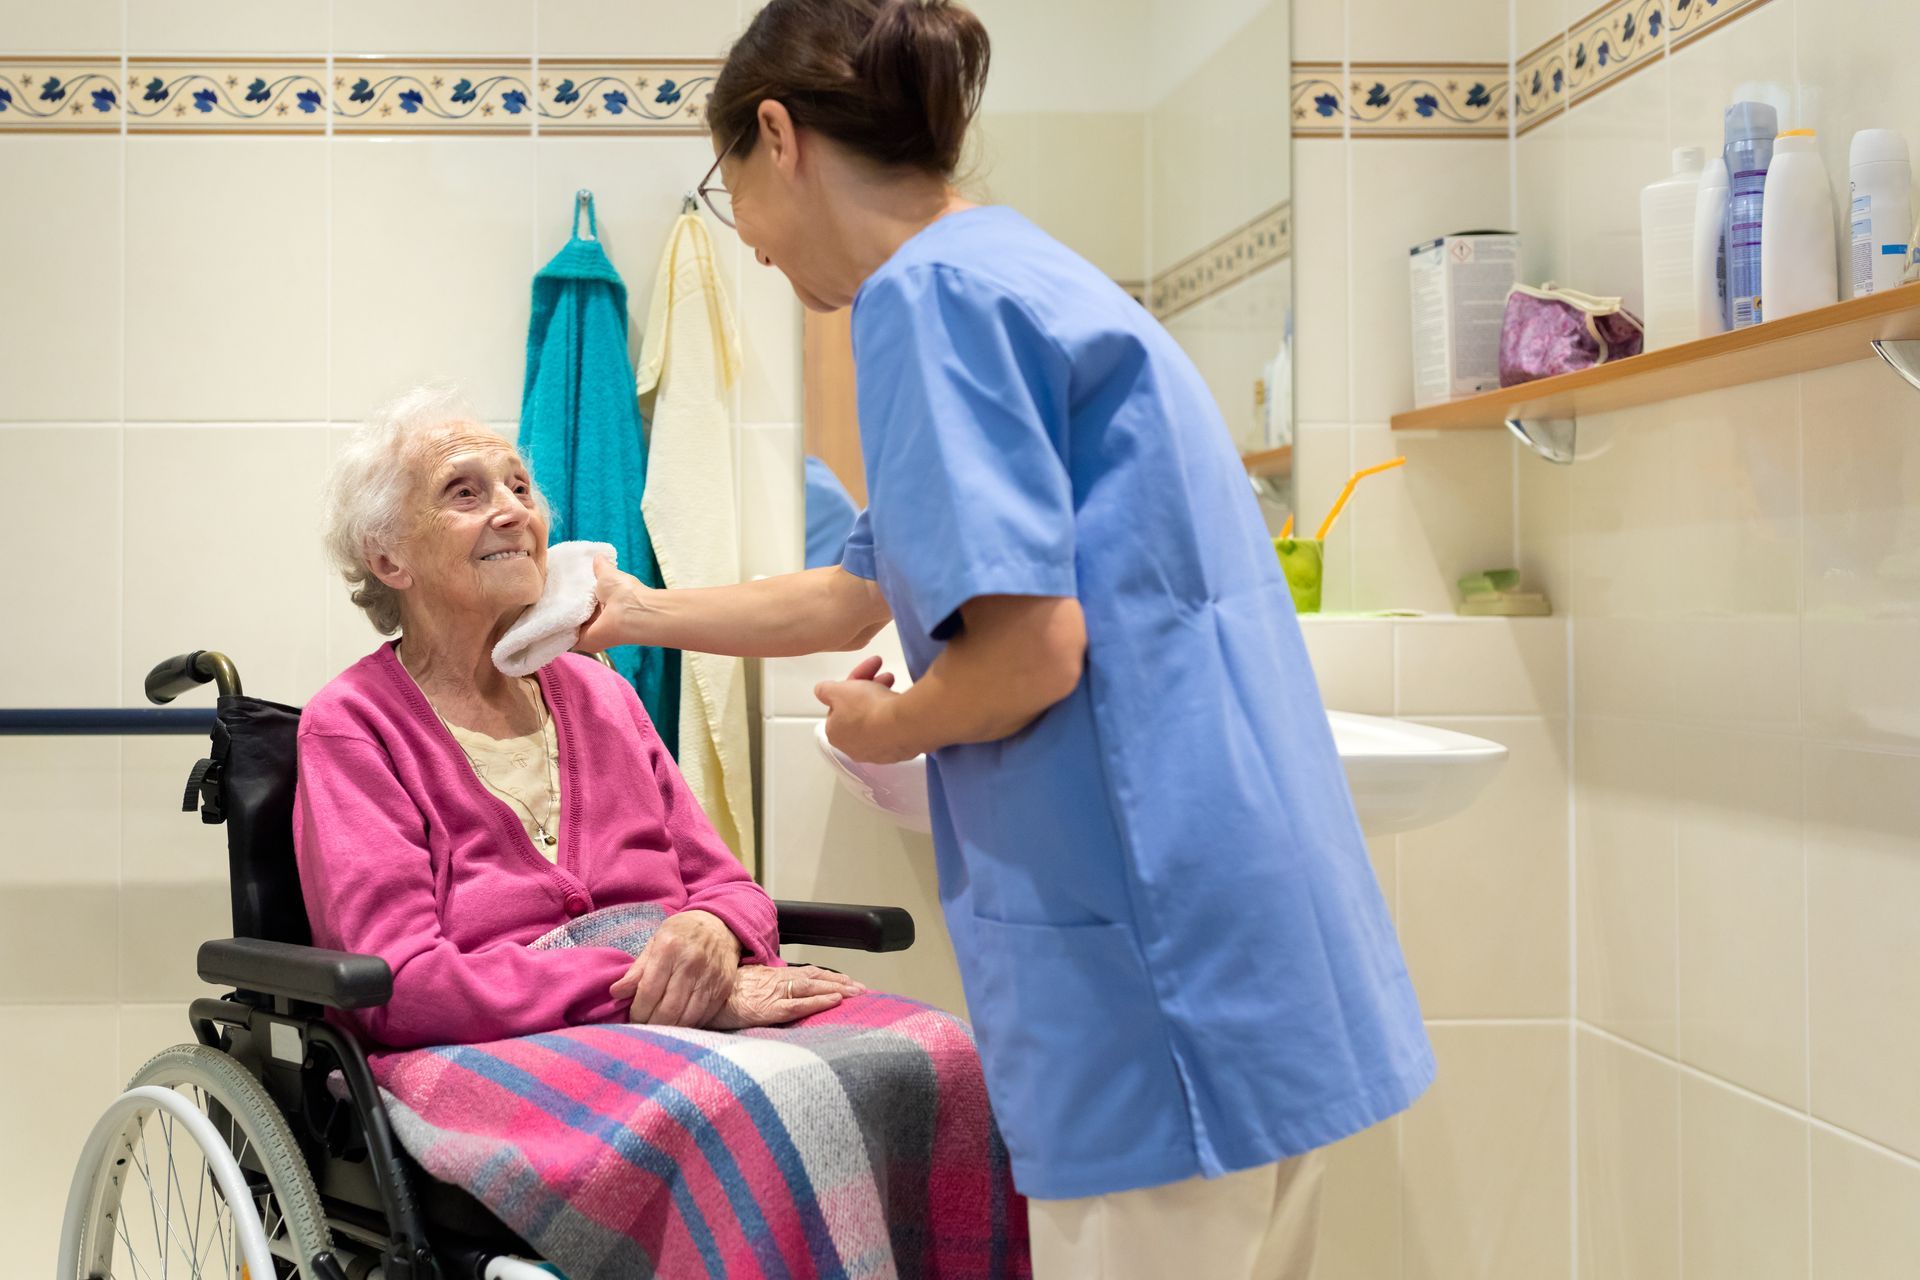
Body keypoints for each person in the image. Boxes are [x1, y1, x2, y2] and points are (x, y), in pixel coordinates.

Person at [580, 2, 1435, 1275]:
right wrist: (626, 611)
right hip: (1243, 938)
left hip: (1154, 975)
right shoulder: (1016, 270)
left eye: (731, 192)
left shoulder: (920, 300)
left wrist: (886, 719)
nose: (747, 239)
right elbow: (857, 587)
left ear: (779, 134)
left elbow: (1028, 655)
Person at [296, 384, 865, 1050]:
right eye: (465, 493)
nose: (514, 511)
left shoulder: (602, 694)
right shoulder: (353, 727)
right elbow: (404, 983)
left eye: (519, 488)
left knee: (934, 1053)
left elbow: (728, 887)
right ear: (388, 555)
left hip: (689, 1016)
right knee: (746, 1109)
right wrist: (663, 993)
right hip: (501, 1046)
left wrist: (712, 931)